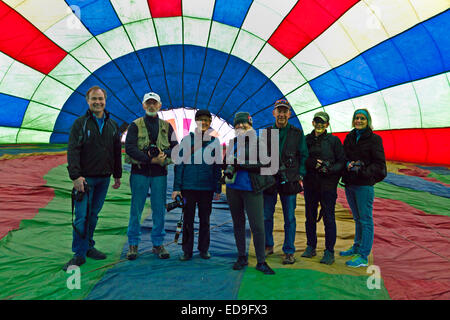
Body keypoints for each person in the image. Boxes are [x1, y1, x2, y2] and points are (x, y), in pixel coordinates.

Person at [64, 86, 122, 271]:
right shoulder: (80, 124)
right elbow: (73, 150)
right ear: (87, 101)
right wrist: (76, 176)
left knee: (94, 215)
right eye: (93, 99)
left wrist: (117, 175)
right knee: (82, 216)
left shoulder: (112, 125)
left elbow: (116, 152)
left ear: (105, 100)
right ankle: (78, 254)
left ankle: (88, 246)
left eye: (100, 99)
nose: (97, 102)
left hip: (103, 179)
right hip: (85, 179)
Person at [124, 92, 178, 260]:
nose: (151, 106)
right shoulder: (134, 125)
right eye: (149, 103)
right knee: (136, 209)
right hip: (139, 172)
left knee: (159, 210)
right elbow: (130, 148)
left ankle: (158, 244)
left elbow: (176, 148)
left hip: (159, 175)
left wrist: (164, 154)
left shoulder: (168, 127)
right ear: (143, 105)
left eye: (154, 103)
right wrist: (150, 159)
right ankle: (133, 245)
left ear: (160, 106)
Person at [225, 112, 276, 275]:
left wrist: (242, 164)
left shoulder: (259, 141)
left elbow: (266, 162)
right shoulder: (233, 142)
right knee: (238, 223)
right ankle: (241, 256)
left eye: (243, 124)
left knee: (257, 225)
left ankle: (261, 261)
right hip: (233, 188)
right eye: (237, 124)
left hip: (252, 188)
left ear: (250, 124)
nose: (240, 126)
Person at [172, 109, 222, 261]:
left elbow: (217, 167)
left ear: (210, 123)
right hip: (188, 188)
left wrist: (217, 188)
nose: (204, 122)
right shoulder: (187, 140)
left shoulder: (215, 142)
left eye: (207, 120)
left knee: (205, 220)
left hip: (206, 189)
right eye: (201, 120)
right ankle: (187, 251)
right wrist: (177, 188)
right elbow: (179, 164)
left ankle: (203, 249)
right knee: (188, 220)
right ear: (196, 122)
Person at [263, 99, 308, 265]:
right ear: (274, 113)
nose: (281, 114)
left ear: (289, 114)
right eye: (279, 111)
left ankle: (289, 250)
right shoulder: (266, 133)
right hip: (269, 179)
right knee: (266, 215)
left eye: (284, 111)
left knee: (289, 217)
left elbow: (304, 155)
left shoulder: (296, 133)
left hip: (289, 179)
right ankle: (268, 245)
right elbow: (261, 156)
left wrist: (300, 174)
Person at [340, 109, 386, 267]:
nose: (359, 121)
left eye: (362, 118)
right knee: (357, 218)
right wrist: (348, 164)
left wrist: (364, 171)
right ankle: (356, 246)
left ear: (368, 121)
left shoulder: (374, 139)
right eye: (356, 118)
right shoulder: (349, 137)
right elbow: (343, 156)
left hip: (364, 185)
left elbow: (380, 165)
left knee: (365, 219)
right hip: (350, 184)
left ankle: (363, 255)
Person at [301, 112, 345, 265]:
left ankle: (329, 251)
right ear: (313, 123)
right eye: (317, 121)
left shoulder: (334, 141)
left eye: (322, 122)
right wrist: (313, 163)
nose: (319, 124)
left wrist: (330, 169)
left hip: (327, 185)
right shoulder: (306, 140)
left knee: (329, 218)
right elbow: (301, 157)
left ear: (327, 125)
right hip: (310, 185)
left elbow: (342, 161)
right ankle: (310, 246)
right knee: (310, 217)